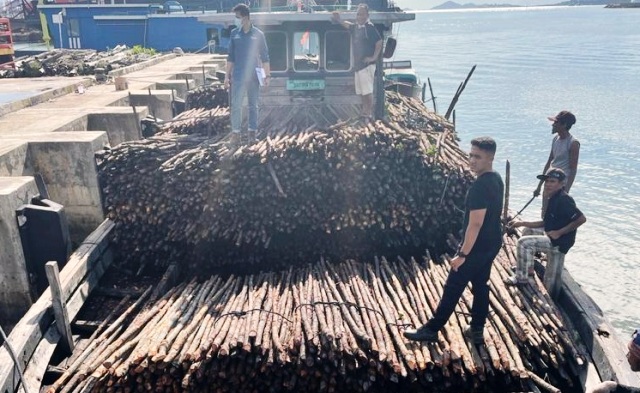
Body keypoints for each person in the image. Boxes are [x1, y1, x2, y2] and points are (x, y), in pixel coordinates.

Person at [404, 137, 504, 345]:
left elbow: (475, 224)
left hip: (477, 246)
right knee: (481, 285)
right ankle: (477, 329)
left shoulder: (479, 187)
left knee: (453, 285)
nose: (472, 160)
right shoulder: (496, 179)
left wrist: (463, 254)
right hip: (493, 242)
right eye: (471, 155)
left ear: (491, 158)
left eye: (478, 157)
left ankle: (431, 329)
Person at [506, 168, 586, 285]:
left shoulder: (564, 200)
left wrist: (560, 232)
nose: (548, 184)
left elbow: (581, 219)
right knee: (527, 230)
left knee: (523, 243)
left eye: (552, 181)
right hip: (551, 237)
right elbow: (545, 222)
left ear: (561, 184)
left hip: (559, 242)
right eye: (547, 181)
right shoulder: (553, 197)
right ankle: (528, 269)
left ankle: (521, 278)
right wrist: (522, 223)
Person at [224, 3, 270, 148]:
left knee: (253, 106)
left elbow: (265, 57)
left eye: (238, 17)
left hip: (254, 77)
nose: (236, 20)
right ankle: (236, 135)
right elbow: (230, 57)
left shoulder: (258, 35)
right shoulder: (234, 34)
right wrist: (226, 76)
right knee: (236, 106)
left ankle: (252, 135)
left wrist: (267, 76)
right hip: (238, 77)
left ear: (246, 17)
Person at [331, 4, 382, 123]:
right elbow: (349, 26)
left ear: (367, 15)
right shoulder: (358, 27)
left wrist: (373, 57)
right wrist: (339, 20)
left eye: (362, 14)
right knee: (362, 91)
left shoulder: (369, 27)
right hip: (359, 66)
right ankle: (364, 111)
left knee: (368, 91)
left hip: (366, 66)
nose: (359, 16)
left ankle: (368, 113)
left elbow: (379, 42)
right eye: (358, 14)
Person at [534, 110, 580, 197]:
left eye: (556, 122)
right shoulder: (555, 139)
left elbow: (573, 170)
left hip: (560, 184)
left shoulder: (573, 143)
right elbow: (549, 163)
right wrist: (539, 186)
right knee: (545, 210)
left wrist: (566, 191)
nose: (553, 125)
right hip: (549, 181)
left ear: (564, 125)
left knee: (555, 209)